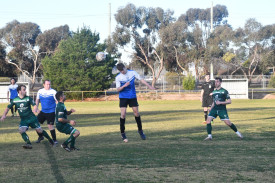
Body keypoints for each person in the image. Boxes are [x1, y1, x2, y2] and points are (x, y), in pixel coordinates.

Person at [1, 85, 54, 149]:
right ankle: (28, 143)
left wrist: (35, 109)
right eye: (24, 90)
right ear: (19, 91)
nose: (25, 91)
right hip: (24, 119)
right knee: (21, 131)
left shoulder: (28, 98)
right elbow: (8, 108)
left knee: (40, 131)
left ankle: (51, 140)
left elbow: (34, 105)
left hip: (32, 118)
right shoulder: (15, 100)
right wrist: (4, 115)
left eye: (25, 89)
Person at [115, 63, 155, 142]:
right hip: (123, 97)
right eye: (120, 71)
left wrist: (149, 86)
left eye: (123, 70)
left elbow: (141, 80)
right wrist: (124, 86)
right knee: (123, 114)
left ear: (125, 67)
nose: (122, 72)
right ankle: (123, 133)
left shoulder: (132, 73)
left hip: (132, 96)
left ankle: (140, 131)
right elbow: (118, 89)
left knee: (136, 113)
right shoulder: (118, 77)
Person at [35, 80, 58, 144]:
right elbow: (37, 100)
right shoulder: (40, 91)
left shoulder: (53, 91)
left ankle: (54, 140)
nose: (48, 85)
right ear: (44, 85)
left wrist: (58, 108)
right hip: (43, 112)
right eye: (47, 84)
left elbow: (57, 101)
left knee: (50, 125)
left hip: (51, 112)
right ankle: (40, 136)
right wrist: (36, 108)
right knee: (35, 123)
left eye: (49, 84)